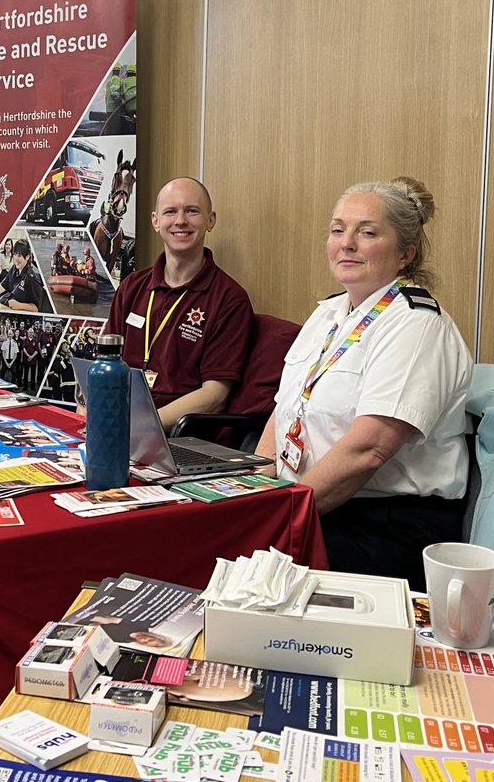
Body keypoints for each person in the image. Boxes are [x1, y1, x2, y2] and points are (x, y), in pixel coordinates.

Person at [255, 176, 471, 590]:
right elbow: (284, 413)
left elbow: (368, 450)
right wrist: (256, 492)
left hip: (382, 526)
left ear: (406, 253)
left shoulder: (416, 323)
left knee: (239, 577)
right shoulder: (328, 314)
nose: (347, 242)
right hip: (311, 502)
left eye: (367, 232)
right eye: (338, 230)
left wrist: (278, 517)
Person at [105, 177, 254, 431]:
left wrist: (140, 426)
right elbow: (104, 362)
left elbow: (215, 396)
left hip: (179, 437)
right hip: (118, 423)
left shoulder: (229, 300)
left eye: (192, 211)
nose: (180, 221)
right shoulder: (132, 287)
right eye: (170, 211)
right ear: (155, 221)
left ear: (211, 220)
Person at [0, 238, 46, 313]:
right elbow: (3, 286)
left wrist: (19, 305)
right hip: (7, 304)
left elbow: (36, 308)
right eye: (14, 254)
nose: (15, 259)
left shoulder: (31, 278)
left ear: (27, 257)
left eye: (19, 255)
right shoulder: (14, 268)